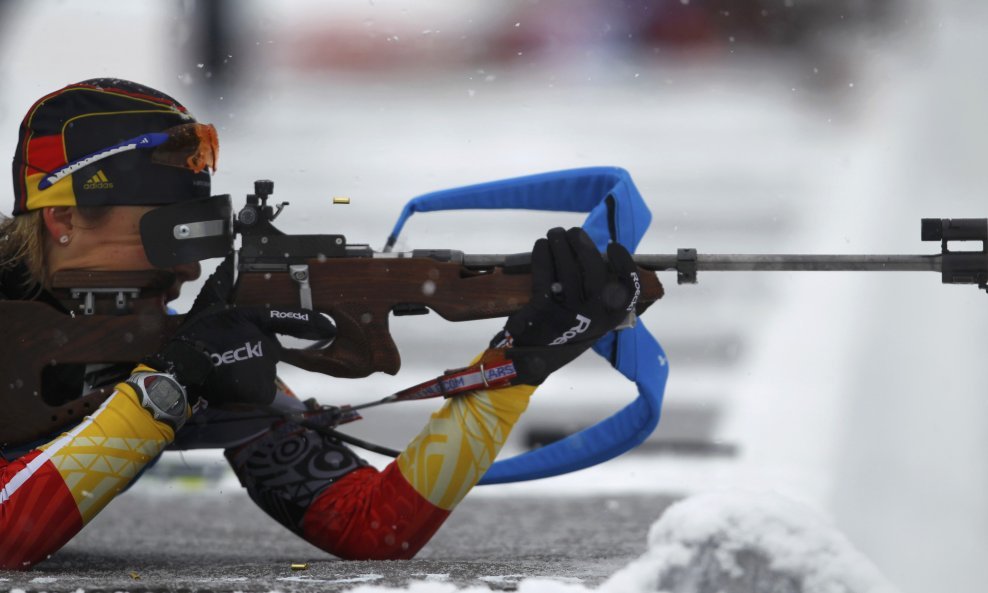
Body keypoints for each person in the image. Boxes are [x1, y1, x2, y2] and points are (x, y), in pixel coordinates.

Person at [0, 79, 640, 569]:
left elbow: (373, 528)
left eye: (199, 234)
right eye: (165, 234)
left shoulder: (163, 340)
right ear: (64, 220)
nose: (191, 266)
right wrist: (164, 391)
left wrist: (514, 365)